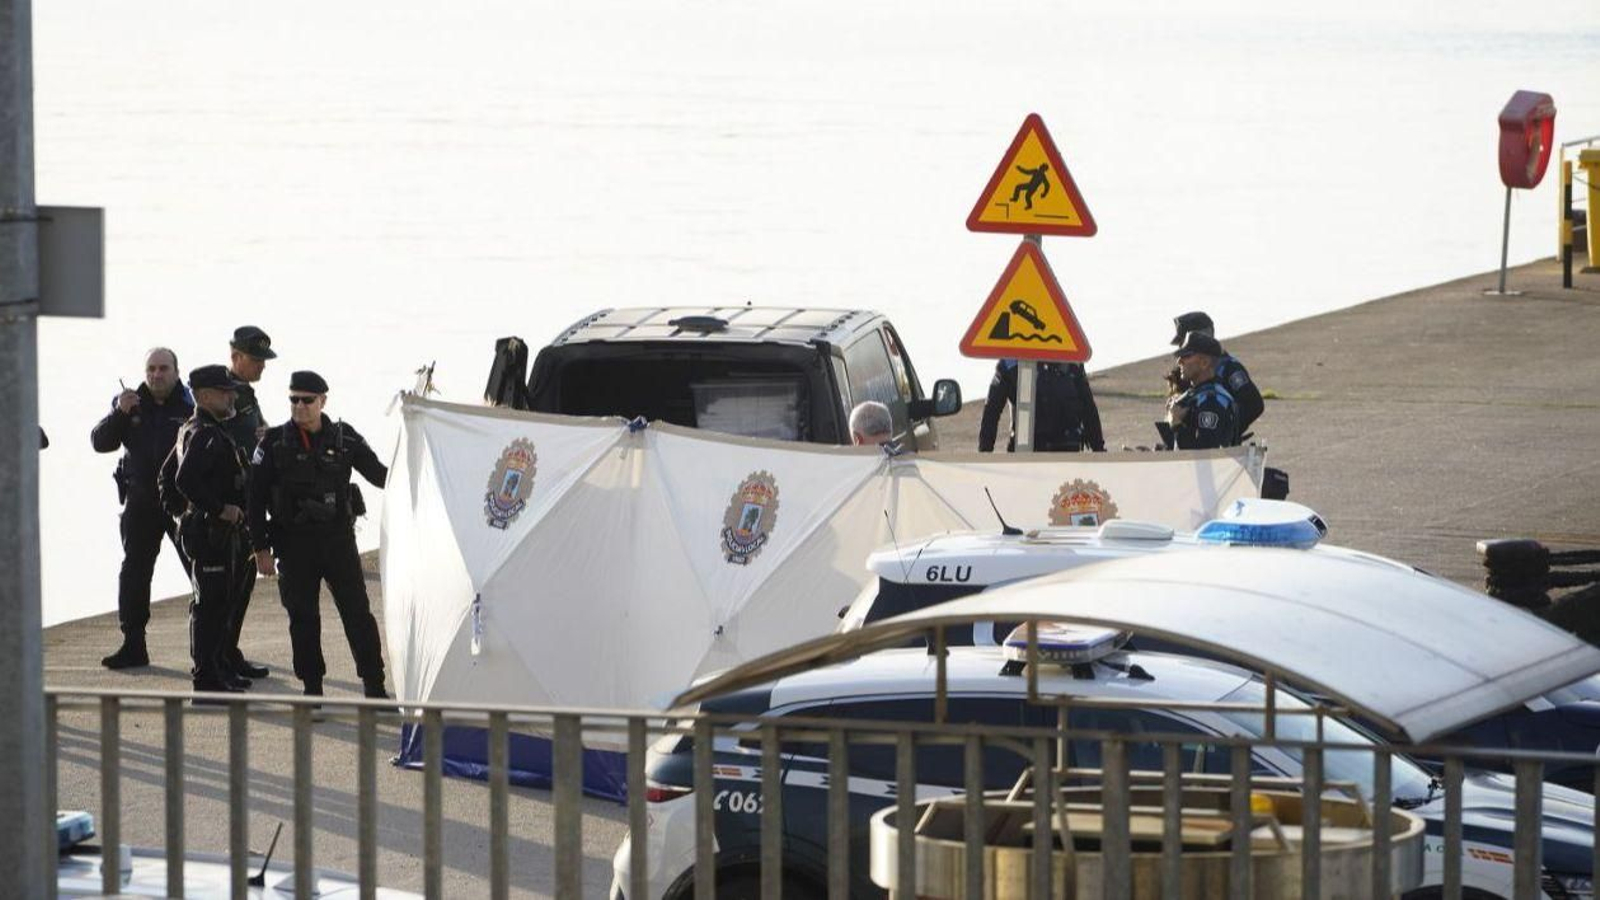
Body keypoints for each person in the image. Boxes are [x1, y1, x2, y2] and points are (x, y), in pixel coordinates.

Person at [249, 371, 392, 699]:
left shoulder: (345, 438)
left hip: (337, 542)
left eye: (307, 400)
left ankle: (375, 687)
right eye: (293, 399)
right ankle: (312, 690)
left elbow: (381, 476)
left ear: (323, 401)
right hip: (293, 545)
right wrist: (260, 549)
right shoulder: (273, 443)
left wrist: (416, 454)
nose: (299, 406)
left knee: (358, 615)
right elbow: (254, 500)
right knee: (303, 620)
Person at [90, 348, 194, 669]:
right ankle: (133, 644)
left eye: (164, 368)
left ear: (176, 371)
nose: (156, 374)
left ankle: (218, 649)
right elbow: (100, 442)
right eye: (151, 368)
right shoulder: (130, 403)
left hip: (182, 501)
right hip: (141, 501)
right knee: (134, 571)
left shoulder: (190, 406)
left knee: (203, 573)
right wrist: (119, 413)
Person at [172, 365, 254, 694]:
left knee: (221, 604)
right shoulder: (203, 432)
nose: (232, 395)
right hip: (210, 535)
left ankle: (219, 669)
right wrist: (217, 510)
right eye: (225, 391)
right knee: (210, 607)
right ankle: (206, 680)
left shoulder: (202, 429)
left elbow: (168, 475)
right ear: (204, 396)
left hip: (218, 533)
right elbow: (181, 479)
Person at [220, 325, 277, 679]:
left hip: (247, 500)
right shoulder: (224, 393)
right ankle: (218, 659)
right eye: (255, 360)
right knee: (224, 589)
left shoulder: (246, 393)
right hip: (228, 502)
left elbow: (251, 432)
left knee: (242, 585)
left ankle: (229, 652)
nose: (262, 366)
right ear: (236, 357)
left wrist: (266, 434)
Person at [977, 359, 1105, 453]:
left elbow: (1088, 408)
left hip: (1066, 455)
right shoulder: (1010, 363)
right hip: (1026, 456)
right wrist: (984, 452)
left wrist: (1099, 449)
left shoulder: (1072, 362)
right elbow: (991, 411)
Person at [1170, 311, 1263, 433]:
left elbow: (1254, 405)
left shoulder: (1230, 367)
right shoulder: (1188, 369)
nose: (1181, 351)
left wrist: (1227, 430)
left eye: (1184, 342)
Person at [1167, 333, 1239, 450]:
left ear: (1204, 363)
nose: (1179, 362)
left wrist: (1176, 423)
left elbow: (1204, 456)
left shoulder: (1212, 401)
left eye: (1187, 356)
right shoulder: (1193, 395)